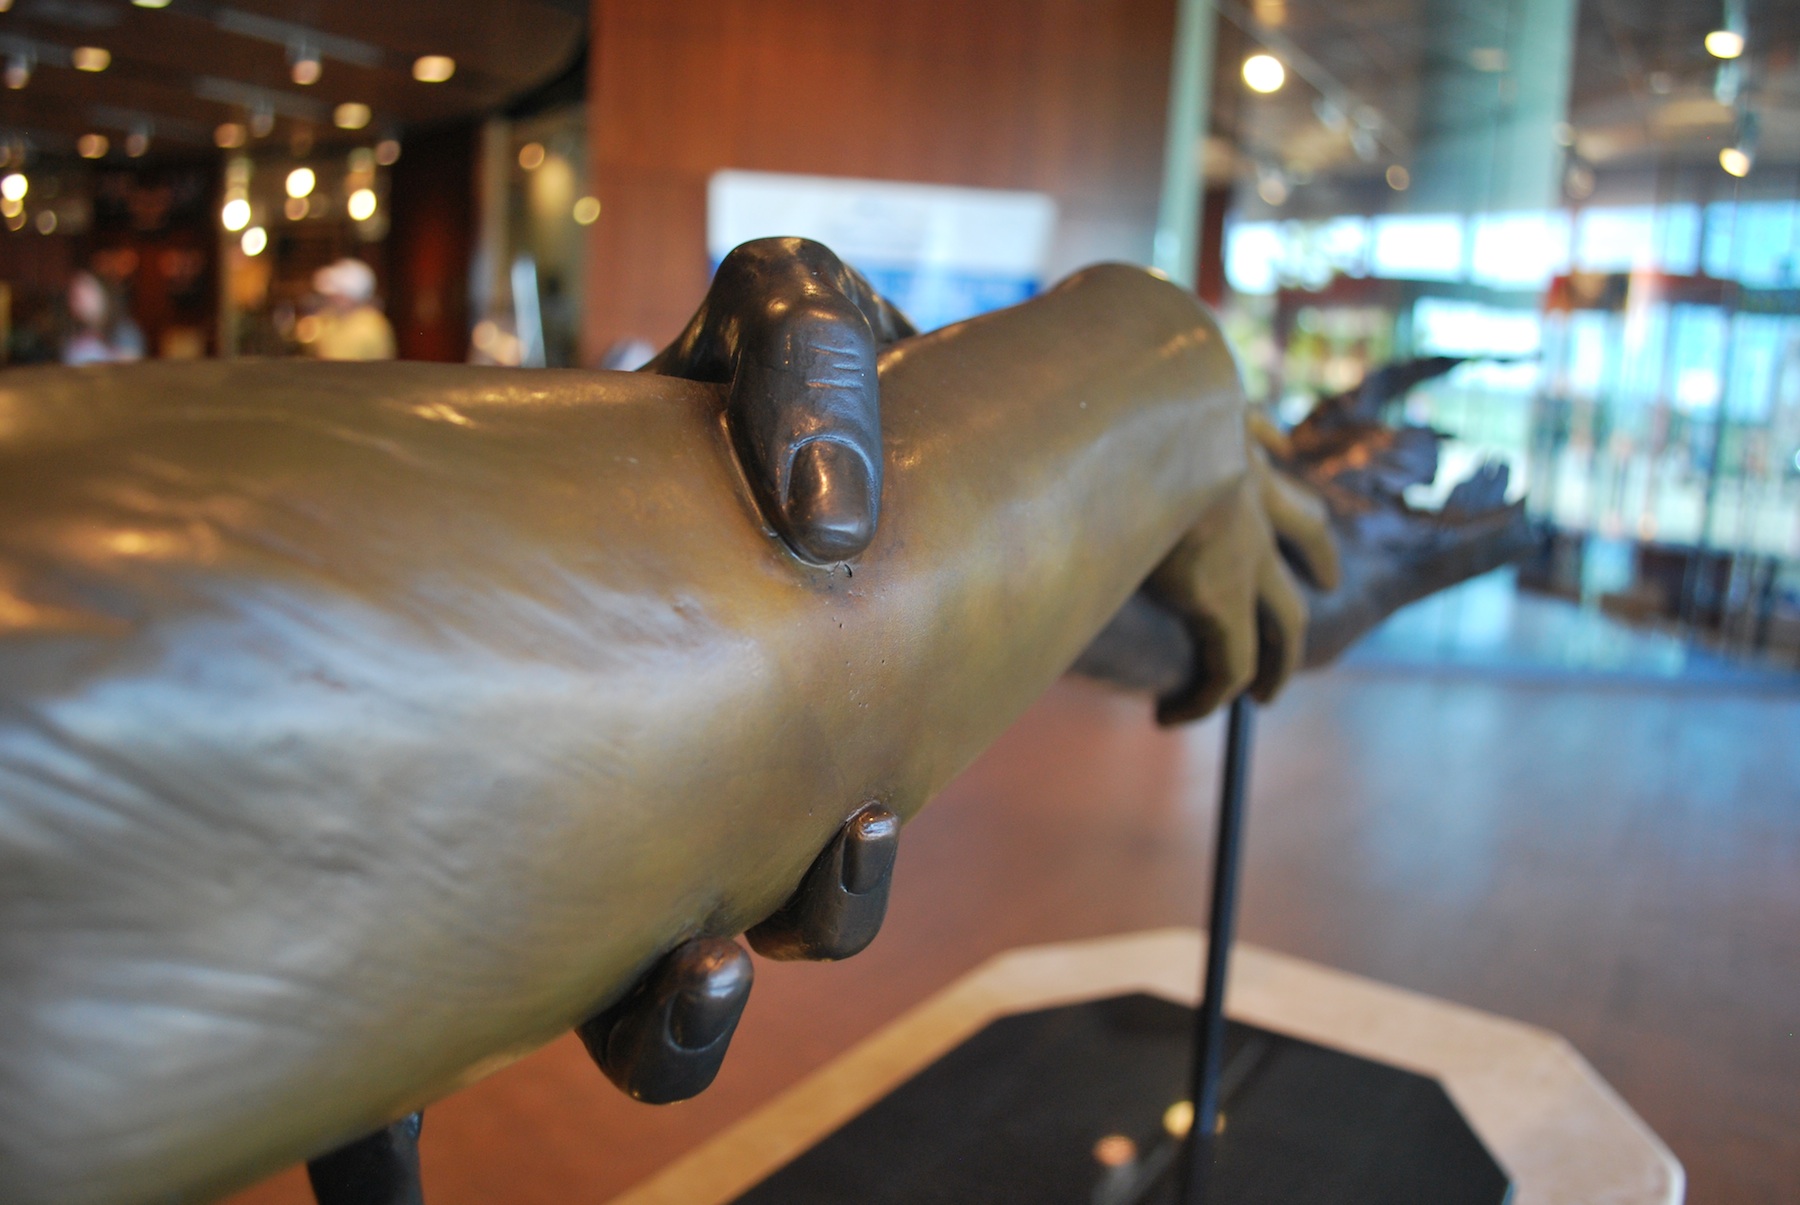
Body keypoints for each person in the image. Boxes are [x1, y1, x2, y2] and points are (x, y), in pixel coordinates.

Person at [307, 258, 396, 361]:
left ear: (350, 297)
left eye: (337, 294)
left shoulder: (366, 330)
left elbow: (338, 367)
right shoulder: (334, 319)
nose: (330, 298)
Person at [62, 270, 144, 366]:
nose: (81, 297)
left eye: (87, 289)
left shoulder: (124, 331)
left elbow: (132, 369)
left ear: (103, 293)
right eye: (75, 294)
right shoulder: (71, 336)